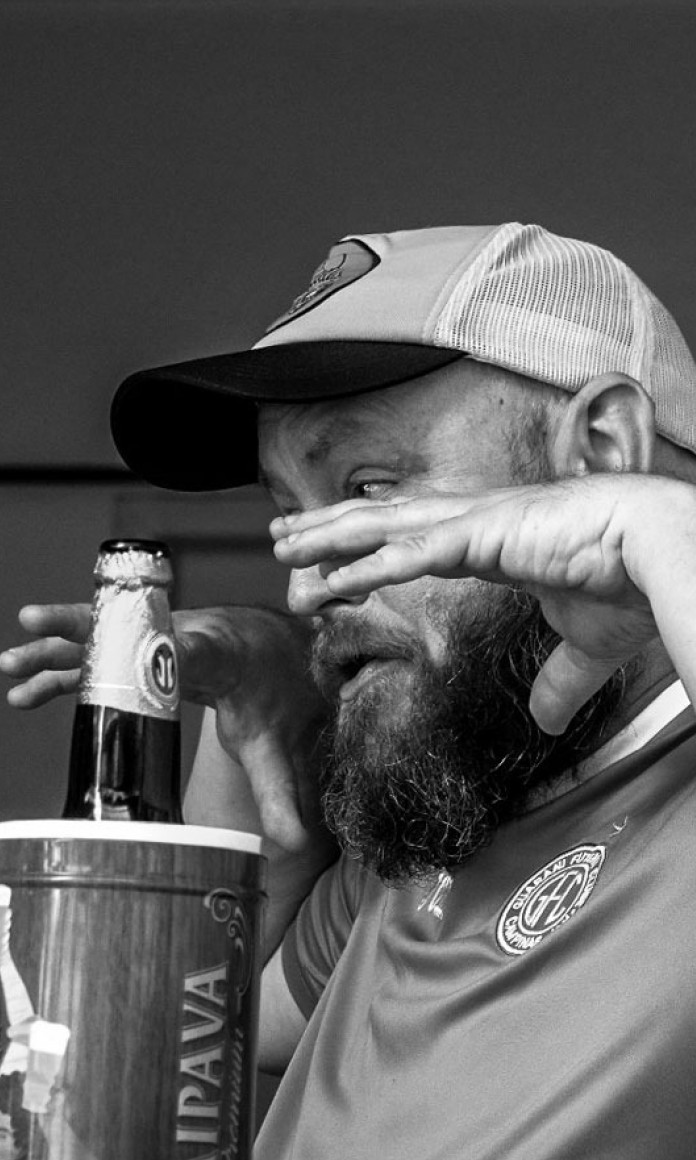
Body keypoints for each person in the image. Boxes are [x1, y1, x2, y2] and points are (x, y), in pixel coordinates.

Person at [4, 222, 696, 1158]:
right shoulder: (437, 824)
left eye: (370, 488)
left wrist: (670, 539)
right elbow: (167, 1055)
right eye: (290, 514)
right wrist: (256, 713)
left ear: (604, 455)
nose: (310, 581)